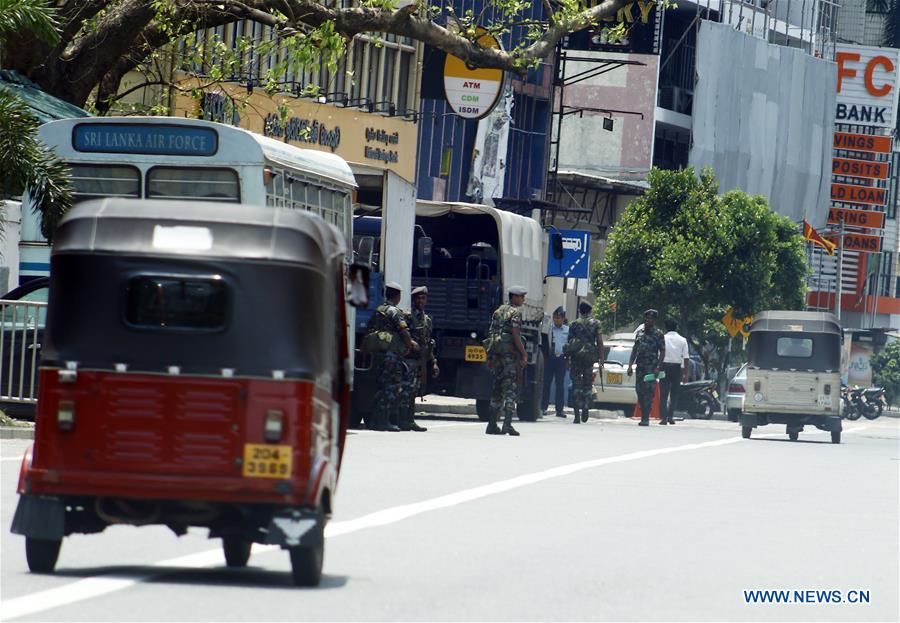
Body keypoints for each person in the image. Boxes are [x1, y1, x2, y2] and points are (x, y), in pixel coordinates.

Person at [368, 281, 419, 431]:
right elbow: (403, 331)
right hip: (391, 354)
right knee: (390, 387)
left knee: (380, 386)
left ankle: (375, 421)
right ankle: (384, 421)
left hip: (379, 352)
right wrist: (411, 345)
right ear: (397, 296)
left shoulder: (379, 310)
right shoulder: (394, 312)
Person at [485, 286, 528, 436]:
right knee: (510, 388)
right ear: (514, 297)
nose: (523, 299)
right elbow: (516, 335)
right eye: (521, 296)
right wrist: (523, 354)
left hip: (496, 354)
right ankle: (507, 424)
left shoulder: (498, 311)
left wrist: (490, 356)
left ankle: (491, 424)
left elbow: (491, 333)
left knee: (497, 387)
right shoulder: (515, 313)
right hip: (509, 355)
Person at [399, 286, 439, 432]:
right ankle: (403, 420)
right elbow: (401, 335)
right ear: (414, 299)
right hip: (408, 360)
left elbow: (428, 343)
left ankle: (410, 420)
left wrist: (433, 362)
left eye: (423, 298)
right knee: (406, 391)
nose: (421, 301)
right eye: (418, 298)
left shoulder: (427, 320)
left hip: (420, 361)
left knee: (414, 391)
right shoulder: (408, 317)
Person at [566, 301, 604, 425]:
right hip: (589, 357)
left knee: (576, 385)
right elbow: (599, 341)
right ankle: (586, 405)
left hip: (576, 356)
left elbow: (569, 343)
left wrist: (568, 359)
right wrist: (601, 359)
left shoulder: (573, 324)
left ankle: (577, 415)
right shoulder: (596, 323)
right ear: (590, 311)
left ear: (579, 311)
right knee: (587, 384)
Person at [627, 309, 665, 426]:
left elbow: (662, 351)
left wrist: (658, 366)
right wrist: (630, 365)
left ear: (654, 320)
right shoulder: (640, 333)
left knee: (649, 392)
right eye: (647, 318)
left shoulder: (658, 334)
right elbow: (634, 350)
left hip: (651, 368)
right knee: (639, 391)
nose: (649, 320)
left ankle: (645, 418)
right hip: (640, 367)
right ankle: (643, 415)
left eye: (651, 319)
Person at [660, 319, 689, 425]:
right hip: (677, 368)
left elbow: (659, 353)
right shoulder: (683, 340)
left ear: (666, 328)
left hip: (664, 367)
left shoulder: (662, 338)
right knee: (674, 394)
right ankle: (670, 416)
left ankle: (663, 418)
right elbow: (686, 358)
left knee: (663, 393)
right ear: (676, 328)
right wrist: (686, 373)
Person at [542, 307, 569, 418]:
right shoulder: (549, 329)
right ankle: (543, 407)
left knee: (560, 385)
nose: (556, 320)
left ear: (563, 318)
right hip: (549, 358)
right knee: (546, 384)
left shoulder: (567, 330)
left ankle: (559, 410)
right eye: (555, 318)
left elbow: (569, 344)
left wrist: (568, 359)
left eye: (558, 318)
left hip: (561, 359)